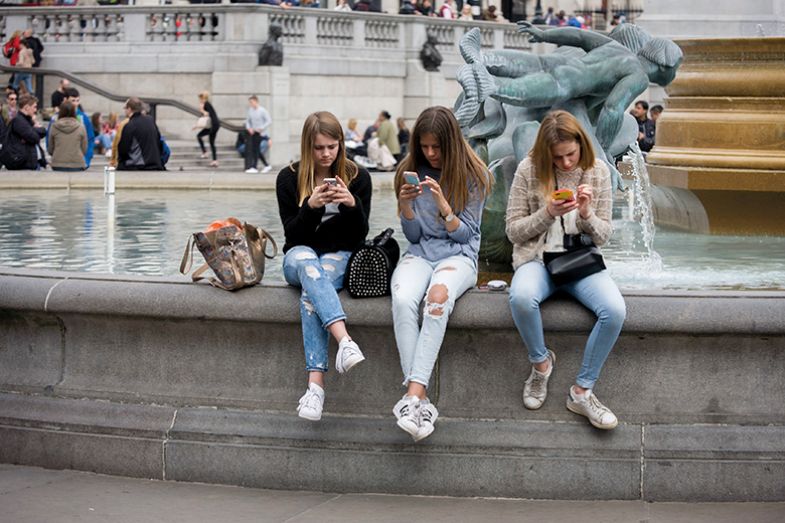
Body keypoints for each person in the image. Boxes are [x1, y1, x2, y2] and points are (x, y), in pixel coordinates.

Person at [505, 110, 625, 430]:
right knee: (521, 298)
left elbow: (604, 235)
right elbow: (513, 231)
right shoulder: (528, 170)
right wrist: (547, 212)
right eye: (558, 158)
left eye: (571, 154)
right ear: (546, 154)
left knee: (614, 310)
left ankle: (582, 391)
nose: (567, 163)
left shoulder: (597, 171)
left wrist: (586, 213)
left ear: (581, 145)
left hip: (581, 261)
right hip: (537, 260)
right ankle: (541, 364)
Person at [390, 106, 492, 441]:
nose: (430, 154)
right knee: (404, 298)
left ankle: (413, 396)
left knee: (436, 300)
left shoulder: (474, 176)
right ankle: (418, 402)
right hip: (420, 253)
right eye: (424, 147)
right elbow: (415, 237)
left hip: (459, 256)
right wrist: (405, 207)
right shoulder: (410, 172)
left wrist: (446, 208)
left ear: (451, 144)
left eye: (437, 147)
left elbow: (466, 236)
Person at [275, 111, 372, 421]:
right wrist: (312, 208)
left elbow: (358, 236)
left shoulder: (358, 177)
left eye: (332, 146)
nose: (327, 154)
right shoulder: (288, 178)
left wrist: (351, 205)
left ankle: (315, 388)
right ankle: (344, 341)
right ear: (308, 146)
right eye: (319, 148)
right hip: (299, 256)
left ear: (341, 144)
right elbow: (292, 234)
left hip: (338, 256)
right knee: (307, 264)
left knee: (312, 291)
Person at [117, 97, 164, 171]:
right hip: (156, 164)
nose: (125, 111)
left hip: (139, 166)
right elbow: (159, 141)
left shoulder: (130, 125)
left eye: (125, 108)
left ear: (129, 109)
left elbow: (123, 149)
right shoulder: (150, 120)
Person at [1, 94, 46, 170]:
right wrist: (34, 129)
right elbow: (34, 138)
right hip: (23, 163)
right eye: (34, 107)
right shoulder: (19, 120)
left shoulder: (28, 120)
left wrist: (33, 129)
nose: (35, 110)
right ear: (26, 108)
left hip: (30, 162)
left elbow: (43, 131)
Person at [48, 101, 87, 172]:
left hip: (57, 163)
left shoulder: (54, 126)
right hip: (77, 163)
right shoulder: (81, 126)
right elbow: (84, 149)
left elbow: (50, 149)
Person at [244, 95, 272, 174]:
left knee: (256, 149)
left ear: (256, 101)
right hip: (253, 132)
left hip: (261, 133)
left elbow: (269, 120)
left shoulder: (262, 110)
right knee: (256, 150)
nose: (250, 104)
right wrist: (249, 128)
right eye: (250, 102)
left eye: (251, 102)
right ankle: (266, 165)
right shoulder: (250, 110)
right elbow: (247, 121)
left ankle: (255, 167)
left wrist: (262, 128)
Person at [195, 91, 220, 168]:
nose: (199, 100)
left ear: (203, 98)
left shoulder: (206, 104)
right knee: (211, 142)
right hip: (214, 125)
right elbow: (206, 118)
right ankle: (214, 160)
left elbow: (207, 114)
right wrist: (197, 126)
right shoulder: (207, 104)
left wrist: (201, 109)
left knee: (199, 136)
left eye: (200, 98)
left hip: (213, 126)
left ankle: (205, 153)